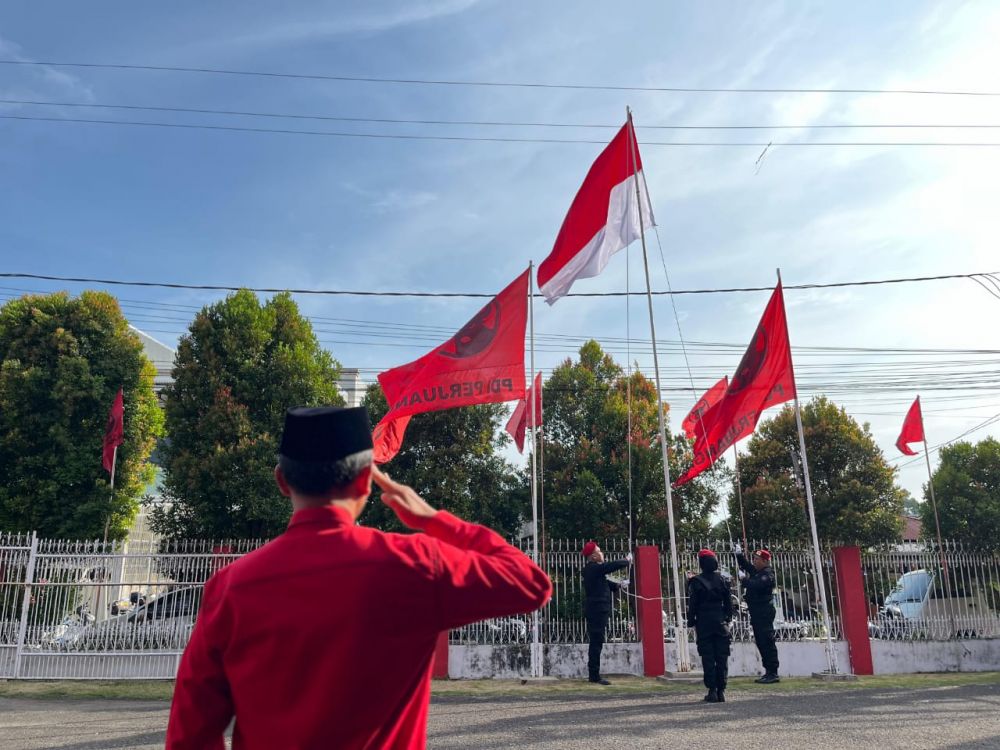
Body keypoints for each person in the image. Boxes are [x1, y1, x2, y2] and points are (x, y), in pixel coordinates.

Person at [165, 405, 552, 749]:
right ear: (367, 481)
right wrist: (434, 520)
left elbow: (190, 732)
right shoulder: (413, 565)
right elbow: (530, 583)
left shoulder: (231, 586)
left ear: (282, 481)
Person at [581, 541, 632, 685]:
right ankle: (594, 676)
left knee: (597, 641)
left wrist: (618, 585)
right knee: (596, 642)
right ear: (593, 556)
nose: (602, 553)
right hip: (597, 610)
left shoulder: (594, 570)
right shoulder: (592, 568)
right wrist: (626, 561)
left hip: (598, 609)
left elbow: (603, 584)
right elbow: (609, 567)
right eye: (599, 551)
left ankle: (594, 674)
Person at [687, 549, 733, 703]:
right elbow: (729, 603)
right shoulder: (723, 580)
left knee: (708, 657)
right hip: (721, 622)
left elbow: (692, 604)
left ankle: (712, 690)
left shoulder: (696, 582)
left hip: (704, 622)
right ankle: (722, 690)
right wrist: (728, 618)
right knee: (722, 657)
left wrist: (690, 620)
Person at [734, 543, 779, 683]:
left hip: (764, 611)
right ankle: (768, 671)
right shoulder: (758, 572)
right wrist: (739, 555)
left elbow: (756, 585)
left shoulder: (768, 574)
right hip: (757, 611)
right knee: (761, 641)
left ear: (765, 561)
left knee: (767, 641)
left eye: (757, 559)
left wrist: (744, 580)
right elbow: (747, 566)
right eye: (754, 558)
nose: (754, 561)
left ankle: (773, 672)